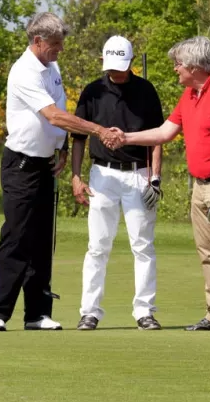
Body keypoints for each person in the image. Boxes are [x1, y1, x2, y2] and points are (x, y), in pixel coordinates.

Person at [0, 12, 124, 331]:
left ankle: (37, 313)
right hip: (21, 163)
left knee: (43, 239)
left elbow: (59, 109)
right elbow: (53, 115)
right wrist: (99, 130)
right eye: (56, 45)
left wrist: (62, 149)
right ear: (38, 42)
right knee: (17, 236)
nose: (60, 50)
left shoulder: (52, 66)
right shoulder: (24, 72)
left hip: (46, 163)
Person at [121, 35, 210, 331]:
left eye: (178, 64)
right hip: (200, 184)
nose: (175, 69)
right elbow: (163, 132)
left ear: (195, 66)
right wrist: (125, 138)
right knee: (207, 250)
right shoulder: (190, 95)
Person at [70, 35, 166, 331]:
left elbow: (158, 138)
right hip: (102, 174)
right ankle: (90, 311)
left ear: (131, 62)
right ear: (104, 62)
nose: (117, 72)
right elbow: (78, 138)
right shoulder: (92, 92)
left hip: (138, 174)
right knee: (98, 245)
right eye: (112, 66)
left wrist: (155, 178)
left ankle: (144, 311)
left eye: (122, 67)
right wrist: (76, 176)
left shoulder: (146, 91)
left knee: (142, 245)